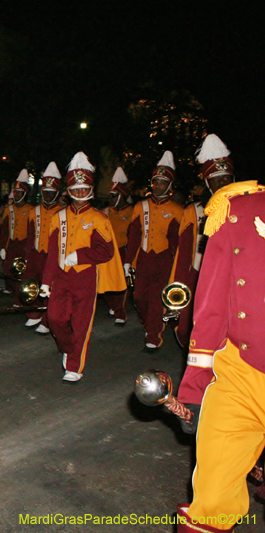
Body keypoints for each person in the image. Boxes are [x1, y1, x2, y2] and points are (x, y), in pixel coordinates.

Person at [174, 179, 265, 532]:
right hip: (239, 375)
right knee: (210, 502)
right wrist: (194, 390)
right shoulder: (235, 209)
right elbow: (210, 308)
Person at [39, 152, 125, 382]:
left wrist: (80, 256)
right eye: (75, 189)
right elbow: (52, 252)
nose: (79, 193)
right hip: (61, 278)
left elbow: (106, 251)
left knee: (81, 323)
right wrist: (46, 281)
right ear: (68, 191)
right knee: (55, 318)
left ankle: (74, 366)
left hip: (86, 278)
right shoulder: (58, 217)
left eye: (83, 189)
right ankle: (68, 348)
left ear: (90, 191)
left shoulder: (99, 219)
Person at [169, 134, 236, 349]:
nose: (221, 183)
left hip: (235, 279)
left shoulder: (245, 207)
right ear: (207, 183)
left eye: (225, 178)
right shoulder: (194, 211)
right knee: (189, 326)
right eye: (215, 180)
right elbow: (185, 252)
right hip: (200, 276)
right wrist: (179, 285)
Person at [125, 150, 184, 351]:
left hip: (165, 259)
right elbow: (133, 236)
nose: (158, 186)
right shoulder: (141, 207)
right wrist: (127, 262)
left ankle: (153, 336)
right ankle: (149, 323)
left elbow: (178, 241)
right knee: (139, 297)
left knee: (157, 298)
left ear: (169, 186)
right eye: (156, 182)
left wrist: (179, 266)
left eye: (162, 182)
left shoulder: (178, 210)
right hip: (144, 258)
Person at [25, 162, 62, 334]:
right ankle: (33, 314)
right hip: (36, 254)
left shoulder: (63, 212)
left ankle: (47, 321)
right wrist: (28, 254)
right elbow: (30, 234)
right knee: (30, 284)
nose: (47, 195)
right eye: (45, 192)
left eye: (51, 192)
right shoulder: (35, 210)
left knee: (50, 288)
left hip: (53, 256)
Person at [0, 169, 35, 309]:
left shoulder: (31, 209)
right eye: (16, 192)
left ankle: (19, 299)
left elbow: (33, 231)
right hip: (11, 244)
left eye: (20, 192)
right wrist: (2, 247)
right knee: (8, 270)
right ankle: (16, 292)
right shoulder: (9, 208)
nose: (17, 194)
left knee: (22, 272)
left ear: (25, 194)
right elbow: (4, 229)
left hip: (24, 244)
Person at [102, 167, 134, 326]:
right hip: (108, 251)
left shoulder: (132, 212)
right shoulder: (106, 212)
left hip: (124, 250)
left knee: (122, 282)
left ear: (122, 197)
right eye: (110, 196)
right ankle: (113, 306)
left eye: (114, 196)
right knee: (106, 281)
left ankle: (121, 311)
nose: (110, 199)